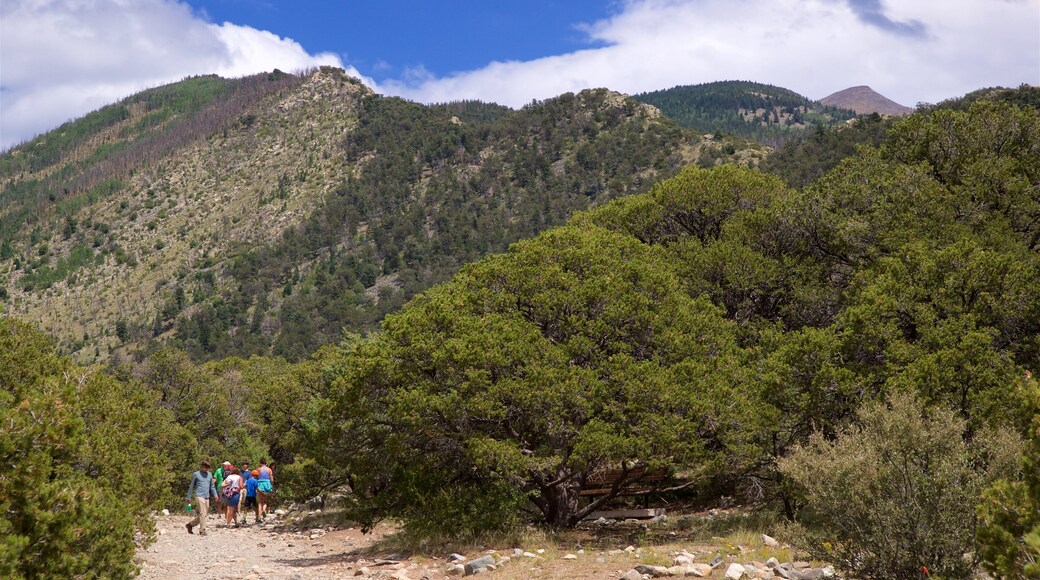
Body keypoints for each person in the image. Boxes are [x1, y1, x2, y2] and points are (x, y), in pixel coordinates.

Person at [186, 460, 218, 536]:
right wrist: (189, 497)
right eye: (206, 467)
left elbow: (212, 486)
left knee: (204, 514)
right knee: (202, 513)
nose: (207, 469)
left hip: (207, 496)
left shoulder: (209, 475)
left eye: (208, 468)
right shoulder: (196, 474)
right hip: (199, 495)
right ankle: (202, 530)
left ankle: (190, 525)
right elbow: (191, 486)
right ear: (202, 466)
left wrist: (215, 495)